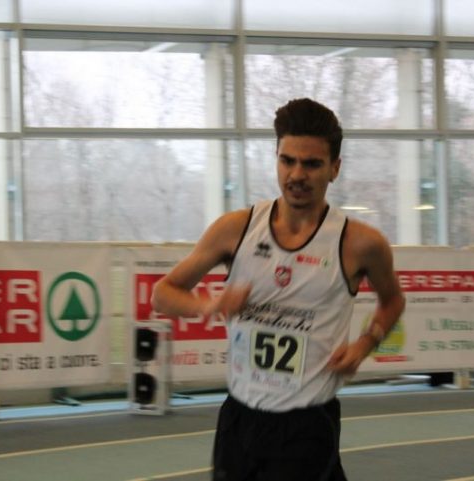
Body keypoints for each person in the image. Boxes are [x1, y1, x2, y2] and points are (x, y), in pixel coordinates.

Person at [151, 98, 405, 480]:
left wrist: (366, 343)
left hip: (307, 425)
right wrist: (209, 305)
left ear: (334, 168)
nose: (296, 174)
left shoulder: (360, 243)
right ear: (276, 159)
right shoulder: (236, 229)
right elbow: (163, 293)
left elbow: (393, 300)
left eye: (311, 164)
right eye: (287, 161)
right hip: (239, 420)